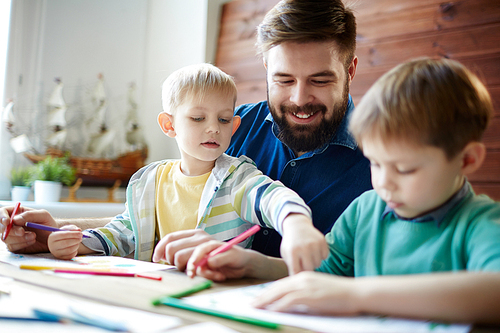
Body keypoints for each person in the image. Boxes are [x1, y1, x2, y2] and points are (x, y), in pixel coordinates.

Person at [1, 0, 371, 264]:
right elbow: (151, 216)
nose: (299, 98)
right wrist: (56, 232)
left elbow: (373, 276)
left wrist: (258, 264)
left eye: (320, 80)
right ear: (265, 68)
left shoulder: (385, 159)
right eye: (284, 79)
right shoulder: (228, 127)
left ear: (350, 70)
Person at [184, 58, 500, 324]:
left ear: (467, 159)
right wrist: (253, 263)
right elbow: (321, 275)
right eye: (376, 164)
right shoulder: (367, 209)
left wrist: (355, 295)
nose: (384, 183)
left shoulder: (480, 223)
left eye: (404, 169)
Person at [27, 64, 329, 271]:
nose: (213, 128)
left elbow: (274, 198)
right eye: (198, 119)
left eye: (223, 120)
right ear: (168, 125)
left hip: (213, 296)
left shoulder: (238, 178)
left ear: (235, 126)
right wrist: (78, 242)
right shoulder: (147, 182)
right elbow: (121, 233)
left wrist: (296, 224)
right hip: (152, 293)